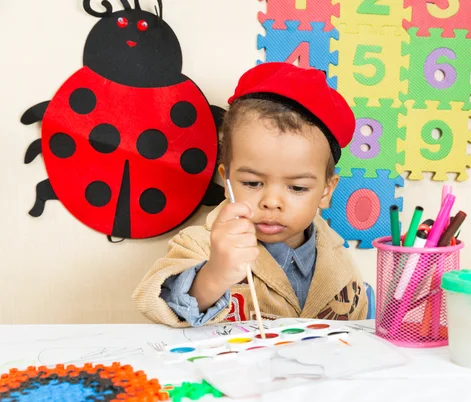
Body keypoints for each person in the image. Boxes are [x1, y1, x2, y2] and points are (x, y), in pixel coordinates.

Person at [132, 62, 368, 327]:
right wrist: (214, 274)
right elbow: (155, 302)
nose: (271, 202)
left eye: (297, 187)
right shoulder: (200, 244)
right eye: (253, 183)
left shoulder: (337, 257)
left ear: (326, 191)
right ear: (227, 178)